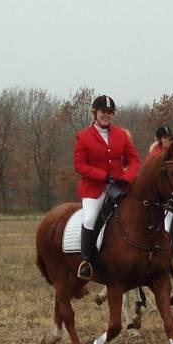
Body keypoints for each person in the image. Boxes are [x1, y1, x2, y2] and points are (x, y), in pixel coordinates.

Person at [73, 95, 141, 280]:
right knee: (89, 218)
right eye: (104, 112)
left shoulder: (121, 135)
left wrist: (125, 178)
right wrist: (102, 176)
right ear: (96, 113)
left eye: (110, 112)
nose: (107, 115)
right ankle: (87, 261)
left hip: (119, 187)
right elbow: (80, 165)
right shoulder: (83, 136)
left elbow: (134, 160)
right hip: (94, 189)